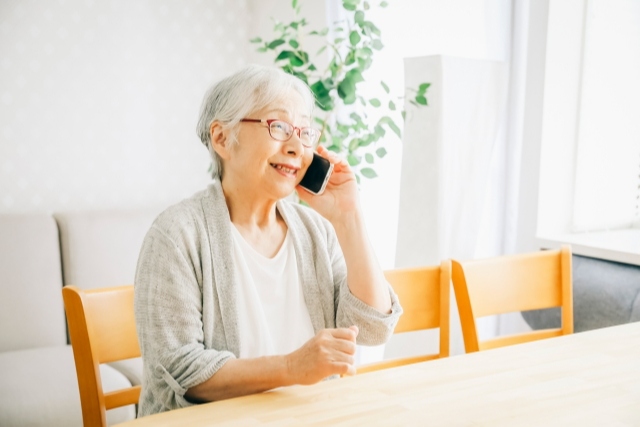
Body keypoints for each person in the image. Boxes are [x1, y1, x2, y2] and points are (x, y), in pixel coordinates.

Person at [134, 64, 403, 417]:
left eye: (305, 132)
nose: (296, 147)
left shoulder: (315, 230)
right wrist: (293, 367)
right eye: (278, 127)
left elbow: (372, 328)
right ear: (222, 139)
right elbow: (183, 370)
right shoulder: (176, 234)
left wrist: (348, 218)